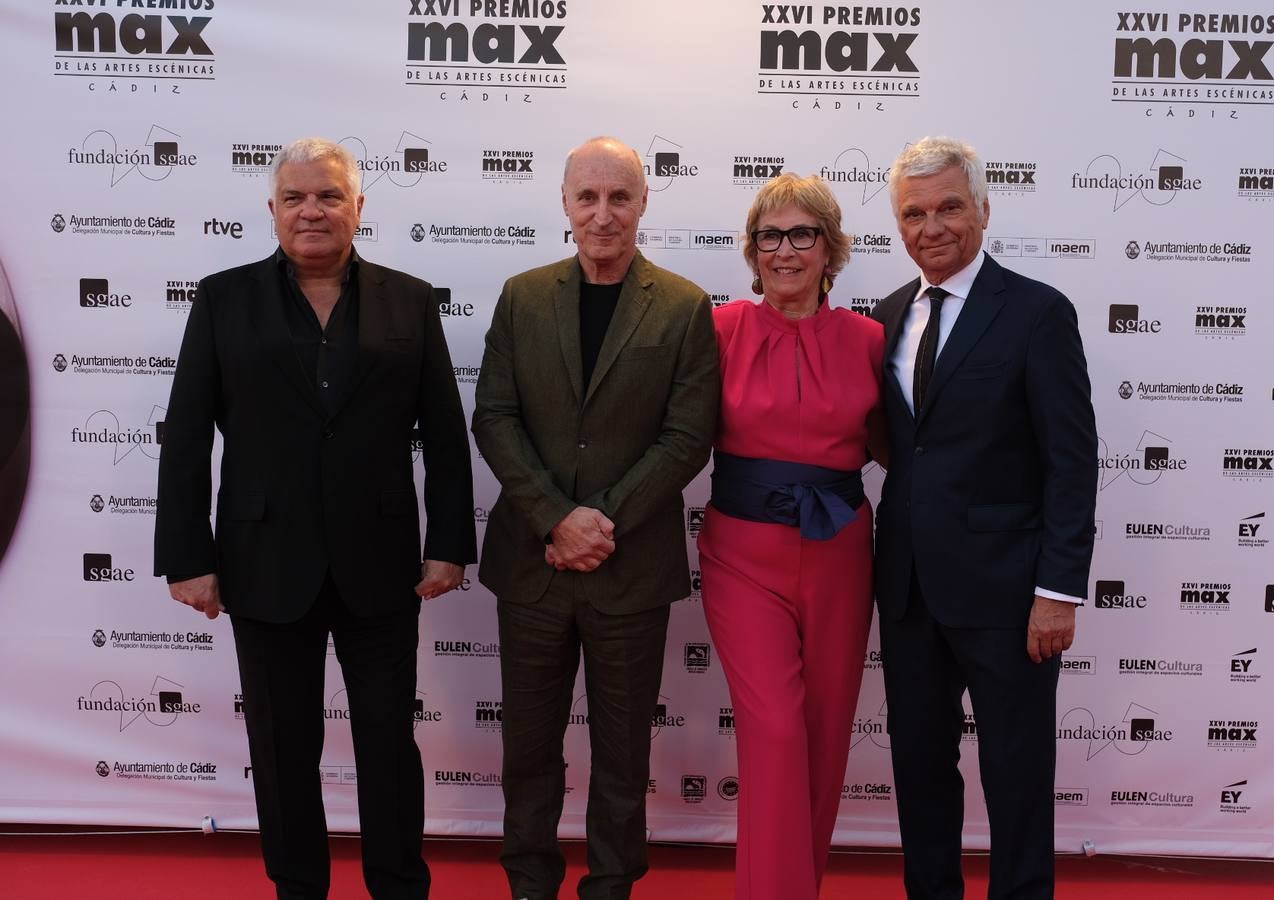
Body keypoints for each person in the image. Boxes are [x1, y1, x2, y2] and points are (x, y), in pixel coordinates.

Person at [154, 137, 476, 900]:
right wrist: (186, 557)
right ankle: (298, 888)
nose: (312, 210)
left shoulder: (410, 298)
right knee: (281, 747)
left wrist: (451, 544)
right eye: (296, 197)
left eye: (329, 196)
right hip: (263, 561)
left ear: (358, 207)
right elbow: (187, 431)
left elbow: (445, 432)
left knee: (389, 748)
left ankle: (399, 885)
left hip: (382, 561)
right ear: (272, 211)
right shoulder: (223, 298)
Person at [472, 136, 720, 900]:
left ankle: (612, 885)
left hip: (629, 568)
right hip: (533, 566)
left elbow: (687, 437)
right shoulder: (522, 295)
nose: (604, 213)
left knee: (622, 753)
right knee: (528, 749)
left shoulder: (684, 306)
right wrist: (555, 520)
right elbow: (495, 417)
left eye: (620, 197)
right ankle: (529, 883)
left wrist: (598, 522)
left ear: (644, 203)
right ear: (566, 204)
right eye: (589, 197)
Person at [871, 136, 1097, 899]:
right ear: (898, 224)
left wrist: (1058, 591)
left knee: (1017, 773)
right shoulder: (888, 315)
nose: (931, 227)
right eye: (914, 213)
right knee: (920, 770)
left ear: (983, 210)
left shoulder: (1037, 313)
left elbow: (1071, 461)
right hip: (906, 594)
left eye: (948, 208)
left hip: (1009, 596)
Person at [696, 174, 882, 899]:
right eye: (769, 236)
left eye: (802, 234)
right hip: (742, 554)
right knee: (774, 731)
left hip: (841, 554)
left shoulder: (870, 339)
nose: (784, 251)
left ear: (830, 249)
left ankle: (796, 885)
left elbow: (907, 443)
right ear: (752, 250)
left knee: (826, 733)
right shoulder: (718, 330)